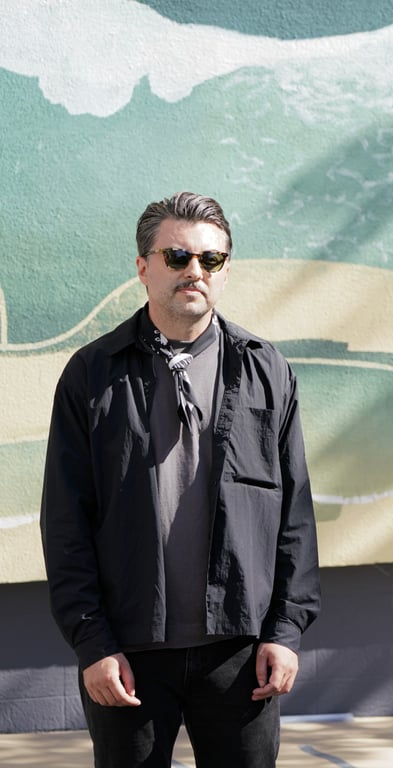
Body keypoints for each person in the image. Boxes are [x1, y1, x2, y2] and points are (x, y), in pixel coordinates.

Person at [40, 192, 321, 768]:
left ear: (225, 270)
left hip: (242, 651)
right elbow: (66, 522)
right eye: (177, 256)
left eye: (211, 259)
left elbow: (294, 514)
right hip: (128, 653)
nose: (195, 270)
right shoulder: (91, 374)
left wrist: (285, 631)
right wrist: (93, 643)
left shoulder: (266, 368)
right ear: (143, 267)